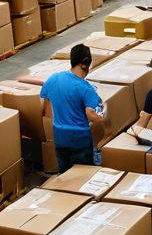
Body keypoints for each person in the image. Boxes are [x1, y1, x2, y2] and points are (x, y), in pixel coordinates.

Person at [40, 44, 104, 173]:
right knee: (82, 175)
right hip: (80, 139)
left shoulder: (53, 79)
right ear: (85, 64)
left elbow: (46, 110)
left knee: (65, 175)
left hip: (59, 136)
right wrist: (105, 122)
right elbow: (91, 114)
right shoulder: (86, 88)